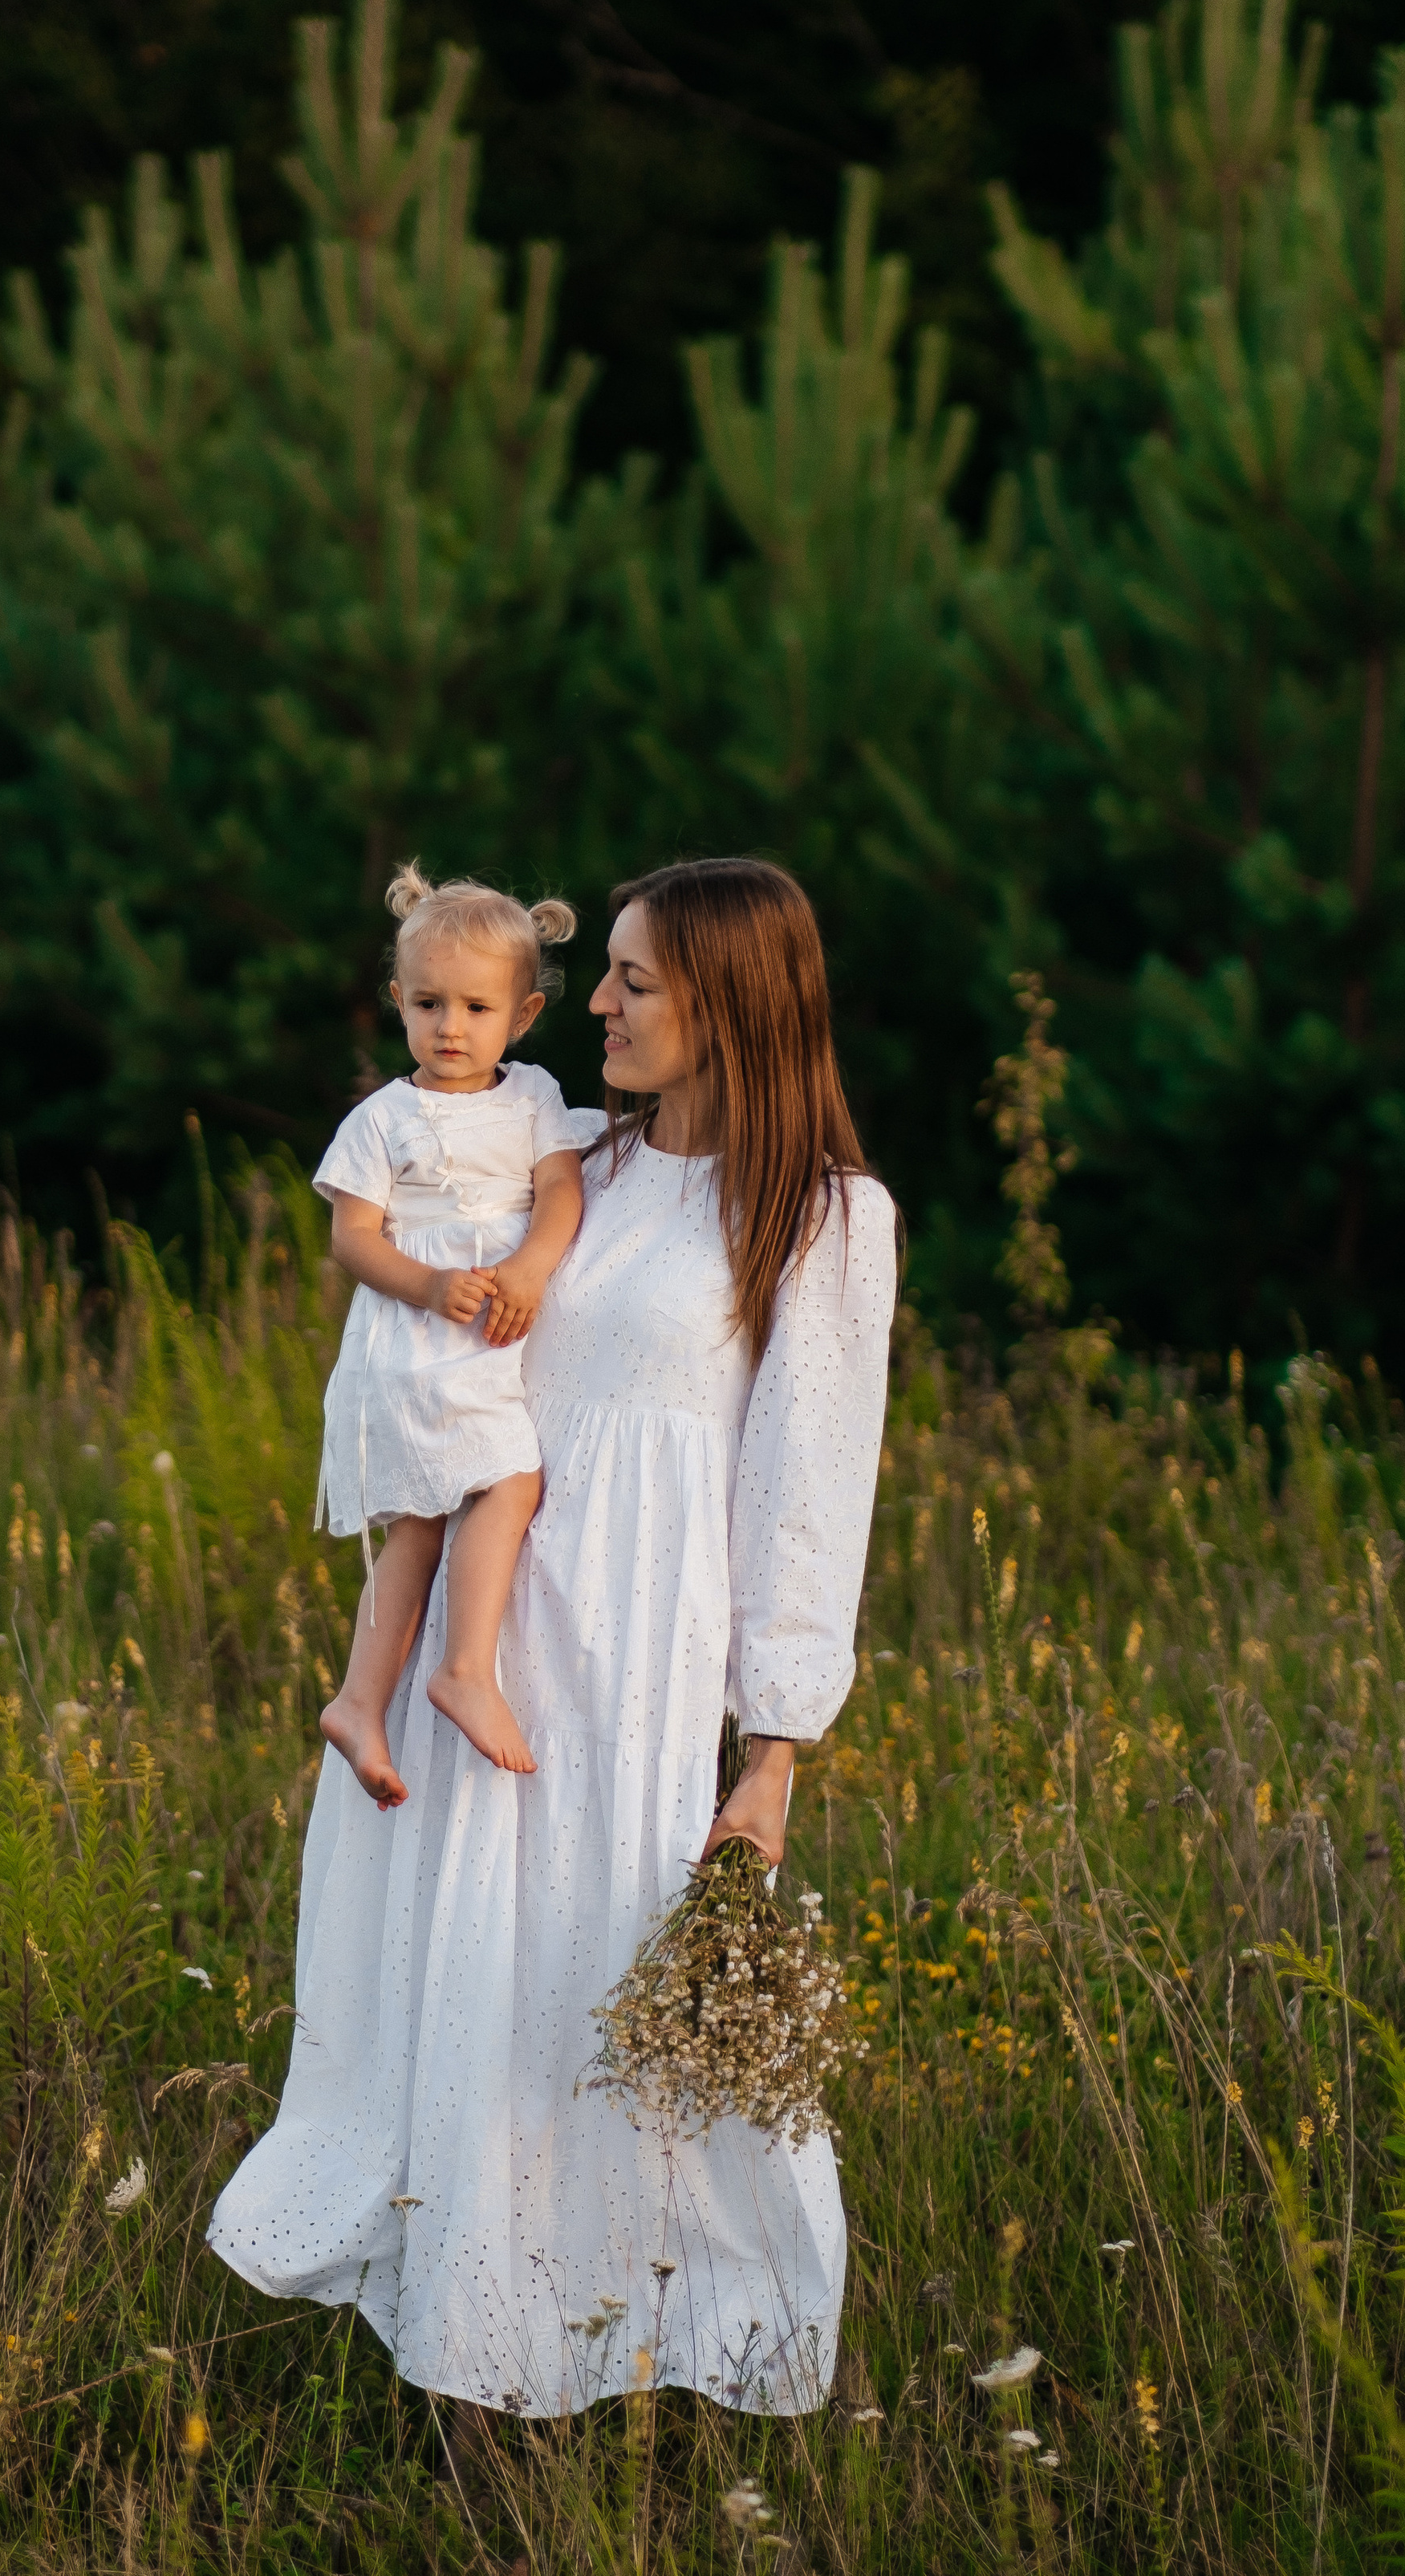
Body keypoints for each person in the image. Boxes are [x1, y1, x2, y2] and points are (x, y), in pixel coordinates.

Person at [212, 858, 896, 2420]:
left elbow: (807, 1494)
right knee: (468, 1979)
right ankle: (473, 2355)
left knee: (598, 1992)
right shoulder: (569, 1154)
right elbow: (420, 1319)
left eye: (633, 979)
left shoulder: (820, 1218)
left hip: (637, 1666)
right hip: (494, 1638)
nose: (593, 999)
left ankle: (636, 2358)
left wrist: (770, 1749)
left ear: (726, 1003)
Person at [315, 863, 595, 1807]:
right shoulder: (381, 1119)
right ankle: (464, 1669)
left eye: (476, 1007)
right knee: (510, 1479)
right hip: (415, 1347)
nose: (449, 1027)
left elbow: (561, 1191)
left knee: (420, 1528)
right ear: (397, 1002)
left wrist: (529, 1269)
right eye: (428, 1003)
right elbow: (352, 1237)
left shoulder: (532, 1100)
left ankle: (360, 1700)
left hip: (477, 1332)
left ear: (521, 1017)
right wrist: (431, 1284)